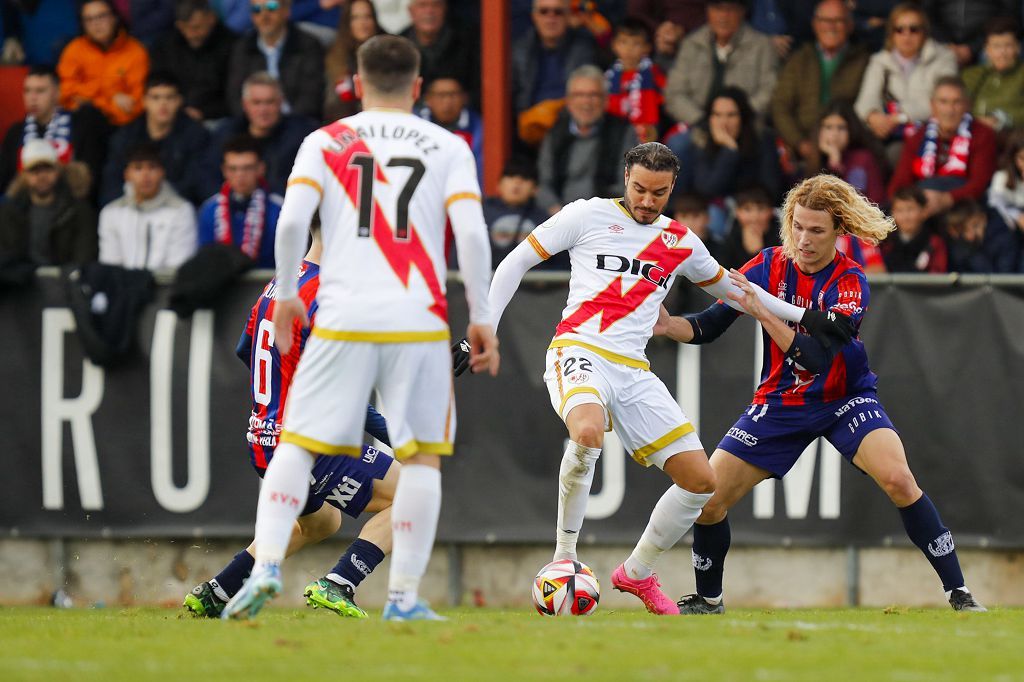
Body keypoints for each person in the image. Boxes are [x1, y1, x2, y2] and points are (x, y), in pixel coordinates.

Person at [474, 142, 851, 615]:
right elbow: (516, 262)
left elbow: (737, 290)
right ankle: (564, 560)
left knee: (701, 481)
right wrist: (485, 326)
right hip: (579, 349)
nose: (647, 201)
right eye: (639, 189)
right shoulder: (586, 216)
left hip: (633, 370)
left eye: (658, 192)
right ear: (625, 179)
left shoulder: (681, 242)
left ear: (671, 188)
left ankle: (635, 573)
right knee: (587, 431)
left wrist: (808, 316)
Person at [221, 35, 498, 622]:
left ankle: (268, 565)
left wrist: (290, 291)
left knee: (297, 443)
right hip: (411, 315)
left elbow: (293, 218)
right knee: (420, 463)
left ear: (358, 83)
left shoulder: (326, 141)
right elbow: (472, 236)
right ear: (418, 88)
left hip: (343, 310)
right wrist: (479, 315)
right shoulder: (446, 144)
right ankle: (401, 599)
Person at [653, 174, 985, 614]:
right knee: (708, 500)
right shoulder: (768, 264)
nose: (803, 240)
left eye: (816, 231)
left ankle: (959, 593)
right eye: (797, 226)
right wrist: (668, 324)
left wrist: (763, 311)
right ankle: (709, 599)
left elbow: (816, 357)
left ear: (839, 232)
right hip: (781, 402)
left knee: (899, 479)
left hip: (845, 398)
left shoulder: (851, 281)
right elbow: (710, 324)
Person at [184, 221, 398, 620]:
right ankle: (339, 583)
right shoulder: (328, 296)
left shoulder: (280, 284)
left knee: (323, 523)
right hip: (306, 441)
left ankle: (218, 591)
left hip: (265, 439)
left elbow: (245, 349)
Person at [770, 0, 870, 171]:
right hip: (802, 143)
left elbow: (865, 109)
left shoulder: (863, 60)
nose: (831, 26)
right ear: (815, 24)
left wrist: (839, 143)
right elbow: (780, 106)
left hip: (847, 144)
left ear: (850, 25)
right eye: (825, 20)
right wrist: (800, 143)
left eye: (838, 20)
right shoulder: (799, 59)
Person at [674, 87, 783, 237]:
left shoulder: (762, 139)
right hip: (717, 213)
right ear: (710, 118)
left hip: (752, 211)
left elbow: (771, 188)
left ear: (742, 117)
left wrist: (743, 208)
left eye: (731, 115)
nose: (724, 122)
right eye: (717, 115)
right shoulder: (702, 140)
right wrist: (729, 150)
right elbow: (706, 189)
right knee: (713, 217)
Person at [853, 3, 957, 161]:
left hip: (931, 134)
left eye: (913, 29)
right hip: (887, 133)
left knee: (896, 153)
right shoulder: (879, 61)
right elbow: (865, 100)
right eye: (899, 29)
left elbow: (945, 101)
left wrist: (900, 117)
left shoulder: (944, 58)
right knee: (860, 155)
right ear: (891, 33)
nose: (906, 35)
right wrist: (873, 116)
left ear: (924, 32)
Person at [887, 77, 998, 220]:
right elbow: (899, 183)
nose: (949, 110)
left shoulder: (983, 134)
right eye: (943, 102)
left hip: (963, 209)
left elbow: (979, 184)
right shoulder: (917, 137)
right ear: (933, 106)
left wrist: (946, 199)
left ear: (967, 106)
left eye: (956, 102)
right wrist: (908, 206)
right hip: (921, 210)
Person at [100, 71, 215, 206]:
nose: (163, 104)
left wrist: (159, 201)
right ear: (144, 101)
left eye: (169, 98)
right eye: (156, 98)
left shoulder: (196, 135)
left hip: (177, 208)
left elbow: (197, 182)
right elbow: (111, 182)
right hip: (131, 207)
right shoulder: (125, 136)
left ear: (179, 101)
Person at [536, 65, 638, 214]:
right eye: (579, 95)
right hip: (561, 217)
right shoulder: (555, 134)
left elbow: (628, 185)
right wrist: (558, 213)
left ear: (605, 100)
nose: (586, 102)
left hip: (605, 218)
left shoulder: (623, 132)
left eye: (593, 95)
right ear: (569, 101)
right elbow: (544, 185)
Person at [664, 0, 778, 127]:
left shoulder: (761, 46)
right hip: (698, 126)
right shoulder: (691, 44)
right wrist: (700, 120)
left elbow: (769, 91)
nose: (723, 16)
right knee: (676, 144)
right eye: (718, 9)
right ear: (708, 11)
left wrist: (738, 118)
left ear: (742, 12)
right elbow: (674, 94)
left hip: (747, 126)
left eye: (730, 9)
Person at [0, 65, 107, 197]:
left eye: (40, 91)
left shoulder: (81, 126)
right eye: (27, 91)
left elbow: (91, 177)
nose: (32, 98)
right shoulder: (15, 133)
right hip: (23, 208)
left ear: (57, 93)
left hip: (70, 205)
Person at [212, 72, 318, 196]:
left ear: (280, 102)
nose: (263, 110)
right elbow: (208, 176)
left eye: (269, 102)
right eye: (256, 103)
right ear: (245, 105)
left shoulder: (302, 134)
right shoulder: (226, 133)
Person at [98, 143, 197, 270]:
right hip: (122, 288)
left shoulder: (181, 210)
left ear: (162, 172)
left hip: (168, 289)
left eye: (152, 167)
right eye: (138, 168)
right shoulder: (111, 212)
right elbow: (110, 267)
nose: (145, 175)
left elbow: (179, 267)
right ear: (127, 174)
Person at [0, 139, 97, 266]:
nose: (42, 176)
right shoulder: (8, 212)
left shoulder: (79, 211)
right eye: (34, 170)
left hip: (66, 282)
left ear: (57, 171)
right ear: (23, 174)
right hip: (21, 282)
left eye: (47, 168)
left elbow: (84, 260)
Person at [226, 0, 325, 120]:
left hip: (295, 121)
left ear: (286, 11)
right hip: (253, 122)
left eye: (271, 7)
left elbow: (311, 96)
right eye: (257, 9)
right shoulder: (242, 47)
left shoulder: (307, 45)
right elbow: (235, 95)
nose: (264, 15)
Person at [56, 0, 149, 126]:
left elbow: (136, 105)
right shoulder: (74, 50)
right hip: (82, 122)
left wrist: (90, 100)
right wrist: (111, 97)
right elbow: (65, 93)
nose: (96, 24)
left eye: (101, 16)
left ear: (115, 17)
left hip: (122, 124)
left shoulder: (135, 52)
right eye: (89, 19)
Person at [197, 135, 281, 268]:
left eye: (247, 168)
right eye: (233, 169)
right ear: (224, 171)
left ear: (261, 169)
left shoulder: (279, 209)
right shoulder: (209, 210)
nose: (240, 175)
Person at [149, 0, 237, 122]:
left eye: (197, 27)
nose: (191, 34)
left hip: (217, 117)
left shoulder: (233, 45)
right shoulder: (165, 46)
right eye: (184, 27)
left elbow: (235, 95)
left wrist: (204, 113)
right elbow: (158, 83)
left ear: (211, 18)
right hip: (174, 115)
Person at [400, 0, 478, 103]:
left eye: (436, 5)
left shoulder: (468, 40)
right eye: (422, 5)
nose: (429, 11)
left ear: (445, 9)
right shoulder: (399, 45)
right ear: (411, 11)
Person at [812, 100, 887, 205]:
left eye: (841, 128)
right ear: (819, 131)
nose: (835, 134)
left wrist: (835, 164)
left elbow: (877, 201)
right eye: (828, 127)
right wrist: (834, 160)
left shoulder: (863, 158)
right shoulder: (813, 159)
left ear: (851, 130)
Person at [604, 18, 666, 144]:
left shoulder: (653, 73)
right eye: (623, 42)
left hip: (645, 133)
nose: (629, 48)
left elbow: (666, 99)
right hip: (613, 130)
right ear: (614, 45)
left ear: (647, 48)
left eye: (636, 43)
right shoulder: (608, 77)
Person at [323, 0, 386, 121]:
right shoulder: (335, 56)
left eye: (367, 17)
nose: (362, 23)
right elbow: (331, 104)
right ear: (347, 22)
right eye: (355, 18)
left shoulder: (388, 52)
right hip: (346, 123)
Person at [961, 17, 1024, 134]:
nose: (1002, 53)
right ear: (987, 50)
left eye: (1008, 46)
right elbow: (957, 106)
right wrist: (975, 121)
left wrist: (1002, 119)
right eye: (996, 46)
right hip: (973, 135)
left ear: (1018, 48)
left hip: (1012, 137)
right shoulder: (971, 75)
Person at [416, 77, 483, 184]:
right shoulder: (416, 123)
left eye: (453, 95)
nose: (447, 101)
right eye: (441, 95)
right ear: (428, 99)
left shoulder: (477, 127)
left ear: (464, 98)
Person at [881, 186, 948, 273]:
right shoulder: (885, 243)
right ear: (892, 214)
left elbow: (938, 275)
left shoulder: (934, 243)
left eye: (910, 209)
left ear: (924, 212)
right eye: (899, 210)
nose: (905, 216)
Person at [945, 199, 1019, 274]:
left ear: (983, 218)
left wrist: (973, 253)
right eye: (963, 231)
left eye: (975, 226)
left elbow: (1003, 278)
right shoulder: (958, 247)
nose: (971, 235)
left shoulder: (1005, 239)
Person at [717, 185, 780, 270]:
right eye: (747, 209)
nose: (754, 217)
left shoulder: (783, 241)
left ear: (771, 211)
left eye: (761, 209)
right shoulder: (729, 241)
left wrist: (757, 254)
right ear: (737, 212)